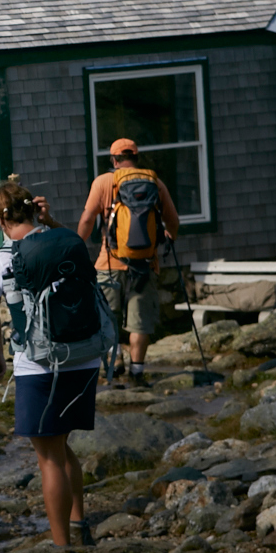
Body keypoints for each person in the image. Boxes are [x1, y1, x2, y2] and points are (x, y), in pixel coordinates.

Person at [0, 178, 106, 547]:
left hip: (39, 365)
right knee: (63, 447)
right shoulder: (66, 242)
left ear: (1, 220)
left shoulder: (0, 262)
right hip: (84, 357)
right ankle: (79, 525)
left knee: (48, 457)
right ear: (35, 210)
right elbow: (79, 246)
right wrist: (53, 221)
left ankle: (62, 546)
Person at [79, 138, 175, 380]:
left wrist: (76, 247)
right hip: (145, 263)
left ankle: (115, 360)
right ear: (136, 158)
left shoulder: (103, 182)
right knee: (139, 322)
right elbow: (173, 220)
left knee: (106, 315)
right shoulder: (154, 182)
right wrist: (167, 236)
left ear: (114, 160)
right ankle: (138, 371)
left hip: (109, 262)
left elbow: (88, 218)